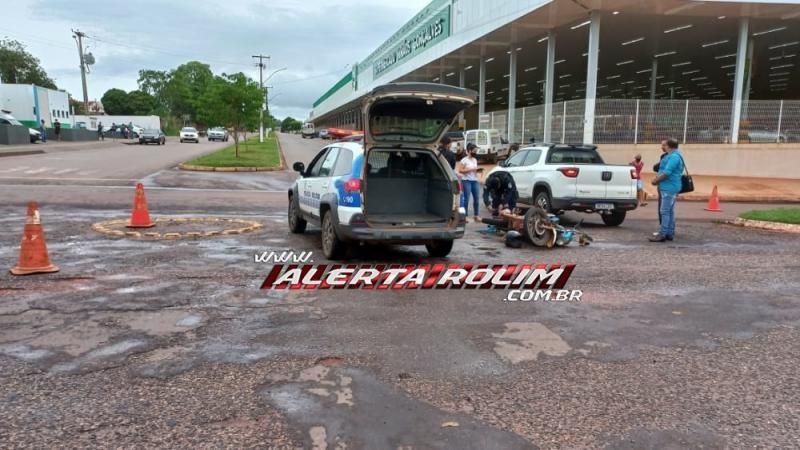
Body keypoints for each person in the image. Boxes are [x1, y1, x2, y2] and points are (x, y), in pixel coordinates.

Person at [649, 138, 683, 242]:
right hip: (670, 187)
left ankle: (662, 234)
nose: (663, 146)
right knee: (670, 212)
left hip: (669, 187)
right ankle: (669, 233)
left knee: (664, 211)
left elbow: (667, 172)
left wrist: (656, 181)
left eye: (664, 145)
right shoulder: (674, 156)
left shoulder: (674, 157)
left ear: (668, 146)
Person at [457, 143, 482, 222]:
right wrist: (471, 170)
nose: (475, 152)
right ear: (469, 150)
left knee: (477, 199)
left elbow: (475, 170)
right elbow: (460, 170)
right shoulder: (464, 160)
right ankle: (465, 216)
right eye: (474, 151)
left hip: (475, 180)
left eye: (476, 151)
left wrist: (478, 171)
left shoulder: (475, 160)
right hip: (466, 181)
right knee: (466, 199)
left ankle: (476, 215)